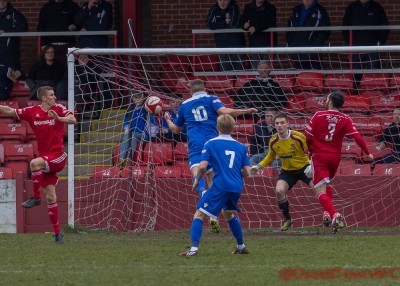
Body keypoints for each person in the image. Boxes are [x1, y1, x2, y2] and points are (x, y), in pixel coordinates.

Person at [164, 79, 257, 232]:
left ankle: (202, 193)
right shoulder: (211, 99)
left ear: (190, 91)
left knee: (197, 172)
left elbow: (176, 130)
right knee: (213, 181)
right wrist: (247, 111)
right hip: (213, 145)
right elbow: (225, 112)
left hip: (195, 145)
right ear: (204, 89)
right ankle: (214, 215)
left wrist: (168, 120)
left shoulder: (185, 105)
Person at [0, 86, 76, 244]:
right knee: (51, 196)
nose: (55, 97)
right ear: (43, 98)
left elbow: (73, 119)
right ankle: (58, 235)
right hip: (45, 159)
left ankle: (35, 198)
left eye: (54, 94)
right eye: (51, 95)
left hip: (58, 157)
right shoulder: (32, 111)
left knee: (34, 163)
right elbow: (10, 111)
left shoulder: (59, 109)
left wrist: (59, 119)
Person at [179, 114, 251, 256]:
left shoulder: (210, 143)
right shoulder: (241, 146)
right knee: (228, 213)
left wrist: (196, 180)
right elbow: (247, 172)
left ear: (217, 127)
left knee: (199, 214)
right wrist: (233, 174)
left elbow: (202, 167)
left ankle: (193, 249)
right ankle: (241, 246)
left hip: (220, 185)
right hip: (236, 186)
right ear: (233, 128)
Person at [305, 91, 373, 234]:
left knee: (318, 190)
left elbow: (309, 137)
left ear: (329, 101)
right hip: (335, 158)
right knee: (327, 183)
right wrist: (368, 153)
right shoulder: (345, 118)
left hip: (320, 156)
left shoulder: (318, 115)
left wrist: (311, 150)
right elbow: (357, 137)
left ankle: (334, 214)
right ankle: (327, 214)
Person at [250, 113, 313, 231]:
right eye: (277, 123)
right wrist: (258, 167)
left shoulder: (298, 136)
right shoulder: (273, 140)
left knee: (318, 188)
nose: (280, 125)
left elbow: (312, 149)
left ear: (288, 124)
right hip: (288, 171)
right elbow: (270, 156)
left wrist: (312, 164)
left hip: (304, 168)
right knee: (279, 191)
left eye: (282, 123)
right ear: (274, 125)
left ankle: (329, 214)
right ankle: (287, 219)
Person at [342, 0, 389, 92]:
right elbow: (345, 28)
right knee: (356, 74)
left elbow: (384, 26)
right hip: (356, 48)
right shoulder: (352, 8)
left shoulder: (377, 7)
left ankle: (374, 95)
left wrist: (379, 42)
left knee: (373, 74)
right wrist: (350, 43)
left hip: (373, 48)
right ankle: (356, 95)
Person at [286, 0, 331, 70]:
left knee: (314, 78)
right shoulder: (296, 10)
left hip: (313, 54)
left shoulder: (320, 11)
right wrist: (291, 43)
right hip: (297, 52)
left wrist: (315, 46)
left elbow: (325, 31)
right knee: (299, 77)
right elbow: (289, 29)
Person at [117, 93, 159, 166]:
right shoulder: (130, 109)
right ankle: (123, 160)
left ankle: (125, 159)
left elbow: (154, 123)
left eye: (140, 98)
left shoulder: (146, 109)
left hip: (144, 135)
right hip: (133, 135)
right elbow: (126, 122)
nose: (138, 100)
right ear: (133, 99)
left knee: (131, 135)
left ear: (143, 98)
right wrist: (127, 130)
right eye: (136, 98)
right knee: (130, 136)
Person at [206, 0, 245, 71]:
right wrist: (224, 22)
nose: (222, 2)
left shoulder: (234, 7)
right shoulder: (214, 9)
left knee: (238, 73)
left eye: (225, 0)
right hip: (222, 46)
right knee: (226, 74)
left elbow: (234, 24)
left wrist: (217, 24)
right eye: (220, 0)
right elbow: (209, 24)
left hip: (237, 46)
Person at [0, 0, 28, 99]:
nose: (1, 3)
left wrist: (6, 31)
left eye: (3, 1)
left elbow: (24, 28)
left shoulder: (14, 14)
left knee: (4, 84)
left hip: (9, 56)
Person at [241, 0, 277, 69]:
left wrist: (256, 28)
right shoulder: (248, 7)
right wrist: (245, 26)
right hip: (254, 44)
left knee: (266, 70)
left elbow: (270, 23)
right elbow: (243, 21)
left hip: (267, 45)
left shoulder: (270, 8)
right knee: (255, 70)